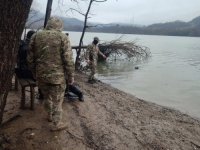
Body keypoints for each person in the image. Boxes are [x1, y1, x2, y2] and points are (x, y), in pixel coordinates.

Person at [27, 17, 74, 131]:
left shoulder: (36, 36)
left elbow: (30, 58)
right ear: (59, 26)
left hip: (41, 75)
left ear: (48, 24)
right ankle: (56, 124)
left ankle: (49, 115)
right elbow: (68, 59)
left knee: (47, 96)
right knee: (57, 100)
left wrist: (34, 71)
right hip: (57, 78)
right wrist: (71, 76)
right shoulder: (63, 37)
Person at [15, 30, 44, 98]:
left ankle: (41, 94)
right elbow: (32, 62)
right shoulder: (29, 48)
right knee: (43, 77)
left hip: (17, 70)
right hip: (24, 72)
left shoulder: (22, 43)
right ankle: (41, 95)